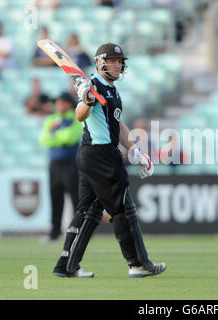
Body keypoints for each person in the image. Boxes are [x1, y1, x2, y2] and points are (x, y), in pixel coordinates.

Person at [52, 43, 166, 278]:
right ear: (100, 63)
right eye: (112, 60)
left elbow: (119, 124)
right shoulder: (92, 86)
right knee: (124, 209)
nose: (117, 65)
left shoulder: (111, 90)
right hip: (100, 154)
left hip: (93, 154)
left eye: (119, 61)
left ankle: (66, 265)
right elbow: (79, 115)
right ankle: (138, 263)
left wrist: (134, 149)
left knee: (88, 211)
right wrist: (86, 100)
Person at [39, 92, 82, 243]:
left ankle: (80, 231)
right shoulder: (52, 119)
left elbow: (70, 138)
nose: (59, 106)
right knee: (55, 199)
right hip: (54, 164)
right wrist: (58, 137)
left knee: (76, 199)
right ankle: (55, 232)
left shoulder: (76, 118)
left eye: (62, 103)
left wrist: (54, 136)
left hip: (70, 163)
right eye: (58, 103)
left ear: (69, 104)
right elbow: (43, 139)